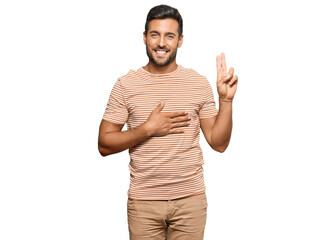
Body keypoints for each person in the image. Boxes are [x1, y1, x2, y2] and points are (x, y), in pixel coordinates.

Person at [98, 4, 238, 240]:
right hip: (144, 204)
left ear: (180, 40)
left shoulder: (198, 83)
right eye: (155, 34)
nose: (161, 43)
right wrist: (147, 129)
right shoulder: (126, 85)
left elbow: (219, 143)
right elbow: (104, 144)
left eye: (169, 36)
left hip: (190, 202)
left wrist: (225, 101)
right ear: (144, 37)